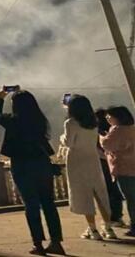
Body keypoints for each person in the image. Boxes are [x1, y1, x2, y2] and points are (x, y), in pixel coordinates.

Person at [0, 89, 63, 256]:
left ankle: (38, 244)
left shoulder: (13, 120)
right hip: (42, 163)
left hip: (22, 165)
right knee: (49, 204)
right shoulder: (40, 120)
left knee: (31, 204)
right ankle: (56, 242)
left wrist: (0, 98)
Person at [59, 95, 116, 240]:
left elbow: (69, 142)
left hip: (76, 159)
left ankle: (93, 229)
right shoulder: (93, 121)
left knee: (83, 193)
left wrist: (61, 138)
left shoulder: (70, 123)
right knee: (99, 192)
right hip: (92, 158)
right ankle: (108, 228)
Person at [100, 106, 135, 237]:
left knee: (130, 199)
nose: (107, 119)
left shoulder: (117, 130)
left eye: (109, 116)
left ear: (118, 117)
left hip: (123, 168)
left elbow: (107, 145)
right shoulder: (132, 128)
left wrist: (101, 137)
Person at [96, 108, 125, 227]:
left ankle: (113, 217)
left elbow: (103, 148)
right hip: (115, 162)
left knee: (109, 189)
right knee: (114, 189)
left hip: (104, 162)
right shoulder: (114, 130)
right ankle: (117, 215)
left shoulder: (100, 133)